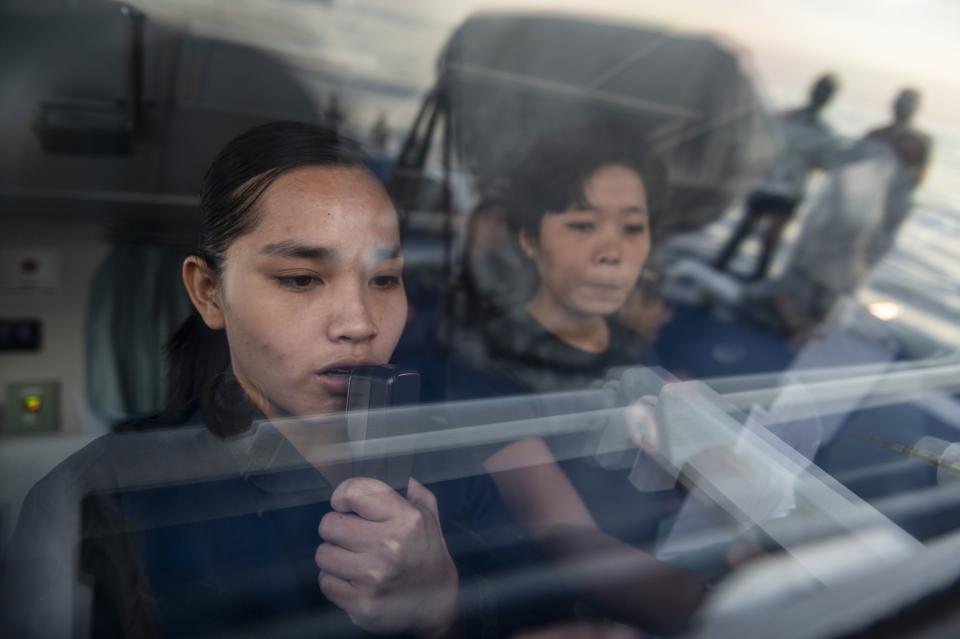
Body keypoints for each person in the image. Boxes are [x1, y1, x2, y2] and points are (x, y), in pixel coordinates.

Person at [0, 122, 502, 639]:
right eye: (301, 279)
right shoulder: (101, 494)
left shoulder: (453, 453)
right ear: (210, 293)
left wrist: (441, 607)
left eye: (383, 280)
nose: (360, 323)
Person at [447, 129, 709, 634]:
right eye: (582, 224)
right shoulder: (483, 365)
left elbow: (682, 467)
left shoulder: (634, 353)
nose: (612, 253)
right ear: (529, 239)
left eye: (633, 228)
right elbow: (571, 542)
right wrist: (725, 609)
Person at [713, 73, 840, 280]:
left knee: (767, 239)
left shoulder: (820, 131)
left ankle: (754, 280)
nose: (820, 96)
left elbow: (825, 165)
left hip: (785, 192)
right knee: (746, 232)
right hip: (766, 186)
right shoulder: (789, 119)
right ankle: (722, 269)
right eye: (820, 91)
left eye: (824, 93)